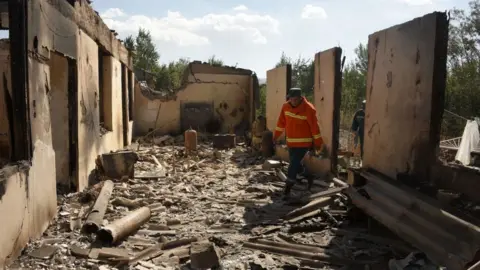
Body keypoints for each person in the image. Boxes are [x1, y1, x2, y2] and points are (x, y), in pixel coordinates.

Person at [273, 88, 325, 196]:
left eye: (296, 99)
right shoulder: (285, 107)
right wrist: (275, 137)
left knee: (293, 165)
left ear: (301, 98)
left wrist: (318, 143)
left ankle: (287, 189)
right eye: (291, 99)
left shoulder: (309, 109)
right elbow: (280, 123)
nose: (293, 101)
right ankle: (307, 175)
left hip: (304, 143)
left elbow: (315, 129)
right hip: (291, 143)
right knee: (296, 164)